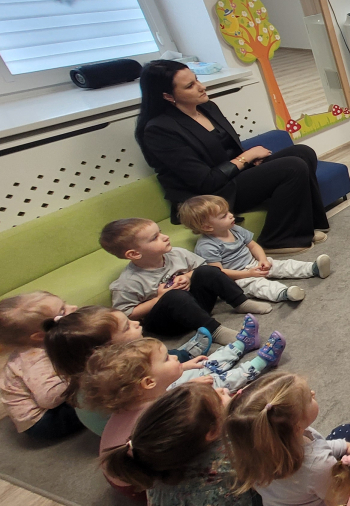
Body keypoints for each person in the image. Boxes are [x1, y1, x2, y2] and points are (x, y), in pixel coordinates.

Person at [134, 59, 328, 252]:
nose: (202, 87)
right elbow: (205, 182)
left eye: (197, 79)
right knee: (293, 166)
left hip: (231, 177)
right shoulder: (159, 130)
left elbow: (227, 148)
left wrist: (250, 160)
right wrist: (247, 157)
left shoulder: (207, 108)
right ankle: (277, 239)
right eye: (190, 86)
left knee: (302, 152)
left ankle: (306, 225)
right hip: (206, 196)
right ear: (168, 96)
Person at [83, 321, 281, 495]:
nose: (175, 356)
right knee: (215, 388)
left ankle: (240, 347)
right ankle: (259, 363)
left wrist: (186, 376)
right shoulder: (157, 415)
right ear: (149, 382)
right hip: (138, 484)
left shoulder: (137, 400)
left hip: (121, 469)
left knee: (202, 374)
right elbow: (192, 434)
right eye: (167, 358)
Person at [100, 382, 264, 506]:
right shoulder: (226, 451)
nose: (222, 391)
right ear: (211, 432)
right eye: (219, 399)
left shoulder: (155, 456)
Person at [225, 372, 350, 506]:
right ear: (297, 427)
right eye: (309, 398)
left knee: (343, 439)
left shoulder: (257, 452)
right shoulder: (317, 466)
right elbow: (341, 498)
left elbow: (320, 447)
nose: (314, 393)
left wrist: (346, 447)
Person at [103, 216, 272, 340]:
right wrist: (159, 298)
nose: (165, 237)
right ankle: (215, 331)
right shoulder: (128, 282)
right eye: (155, 238)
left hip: (196, 307)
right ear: (134, 254)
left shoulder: (177, 254)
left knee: (207, 270)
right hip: (168, 324)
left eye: (160, 232)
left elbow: (201, 269)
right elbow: (127, 314)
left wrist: (188, 277)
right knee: (175, 296)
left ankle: (241, 302)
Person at [179, 195, 332, 304]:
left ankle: (312, 268)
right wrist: (249, 274)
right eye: (224, 216)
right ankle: (284, 293)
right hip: (237, 277)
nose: (231, 216)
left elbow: (253, 245)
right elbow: (219, 273)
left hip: (253, 263)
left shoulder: (234, 229)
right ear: (207, 227)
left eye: (229, 212)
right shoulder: (207, 246)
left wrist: (262, 260)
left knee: (281, 265)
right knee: (257, 286)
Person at [43, 305, 162, 436]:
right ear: (102, 351)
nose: (137, 323)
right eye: (127, 327)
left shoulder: (87, 376)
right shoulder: (120, 382)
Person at [0, 291, 83, 440]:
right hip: (43, 421)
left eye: (65, 303)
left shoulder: (47, 343)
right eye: (62, 312)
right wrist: (80, 374)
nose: (74, 307)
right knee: (96, 395)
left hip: (48, 402)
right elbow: (48, 398)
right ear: (39, 336)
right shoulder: (36, 359)